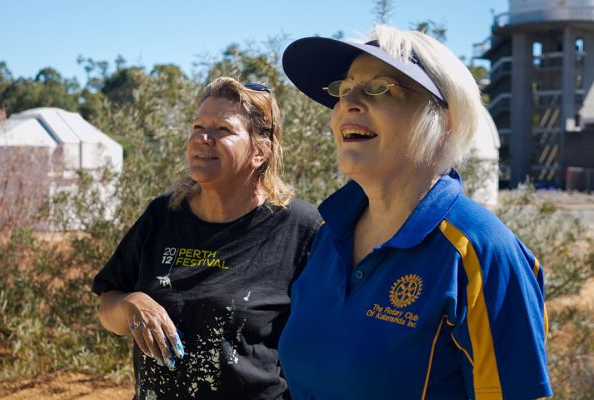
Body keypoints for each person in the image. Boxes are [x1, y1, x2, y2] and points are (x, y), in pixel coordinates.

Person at [277, 25, 552, 400]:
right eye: (344, 89)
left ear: (444, 120)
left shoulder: (481, 253)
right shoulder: (329, 236)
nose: (348, 103)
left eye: (379, 87)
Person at [92, 77, 322, 400]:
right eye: (198, 126)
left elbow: (323, 345)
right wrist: (132, 304)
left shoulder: (299, 227)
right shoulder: (161, 216)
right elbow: (107, 307)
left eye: (223, 130)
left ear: (261, 150)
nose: (203, 138)